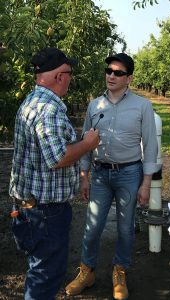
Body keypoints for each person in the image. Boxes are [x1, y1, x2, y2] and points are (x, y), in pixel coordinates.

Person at [65, 53, 158, 300]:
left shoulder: (142, 106)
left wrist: (146, 183)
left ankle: (120, 271)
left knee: (126, 229)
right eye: (108, 71)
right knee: (92, 226)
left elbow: (150, 147)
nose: (111, 76)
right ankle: (87, 271)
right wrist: (84, 175)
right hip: (100, 174)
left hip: (129, 173)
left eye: (118, 72)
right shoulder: (95, 105)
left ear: (129, 78)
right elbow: (85, 142)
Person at [9, 47, 100, 300]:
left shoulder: (30, 101)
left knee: (39, 271)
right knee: (46, 278)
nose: (71, 79)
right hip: (45, 214)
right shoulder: (49, 110)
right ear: (60, 76)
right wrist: (88, 143)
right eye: (69, 74)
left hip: (29, 209)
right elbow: (58, 158)